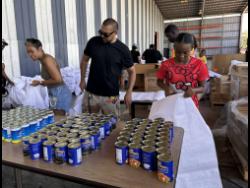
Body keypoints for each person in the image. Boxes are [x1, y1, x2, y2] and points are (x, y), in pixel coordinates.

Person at [79, 18, 136, 117]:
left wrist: (129, 91)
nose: (102, 36)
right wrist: (82, 79)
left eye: (106, 34)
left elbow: (132, 72)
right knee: (88, 124)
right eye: (100, 32)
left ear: (115, 32)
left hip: (111, 96)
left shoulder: (123, 49)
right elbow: (84, 60)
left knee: (112, 126)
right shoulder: (93, 42)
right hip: (92, 93)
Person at [156, 33, 209, 108]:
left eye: (185, 52)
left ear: (191, 49)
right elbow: (159, 81)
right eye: (177, 52)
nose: (181, 56)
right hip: (172, 103)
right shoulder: (166, 64)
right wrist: (166, 88)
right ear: (174, 48)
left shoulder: (199, 64)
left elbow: (203, 87)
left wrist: (194, 90)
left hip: (191, 105)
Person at [25, 38, 72, 115]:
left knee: (58, 120)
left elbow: (58, 79)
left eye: (31, 51)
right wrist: (40, 82)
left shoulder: (47, 60)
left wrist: (41, 82)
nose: (30, 55)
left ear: (39, 49)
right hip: (53, 93)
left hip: (59, 93)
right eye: (28, 52)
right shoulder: (43, 60)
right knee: (55, 118)